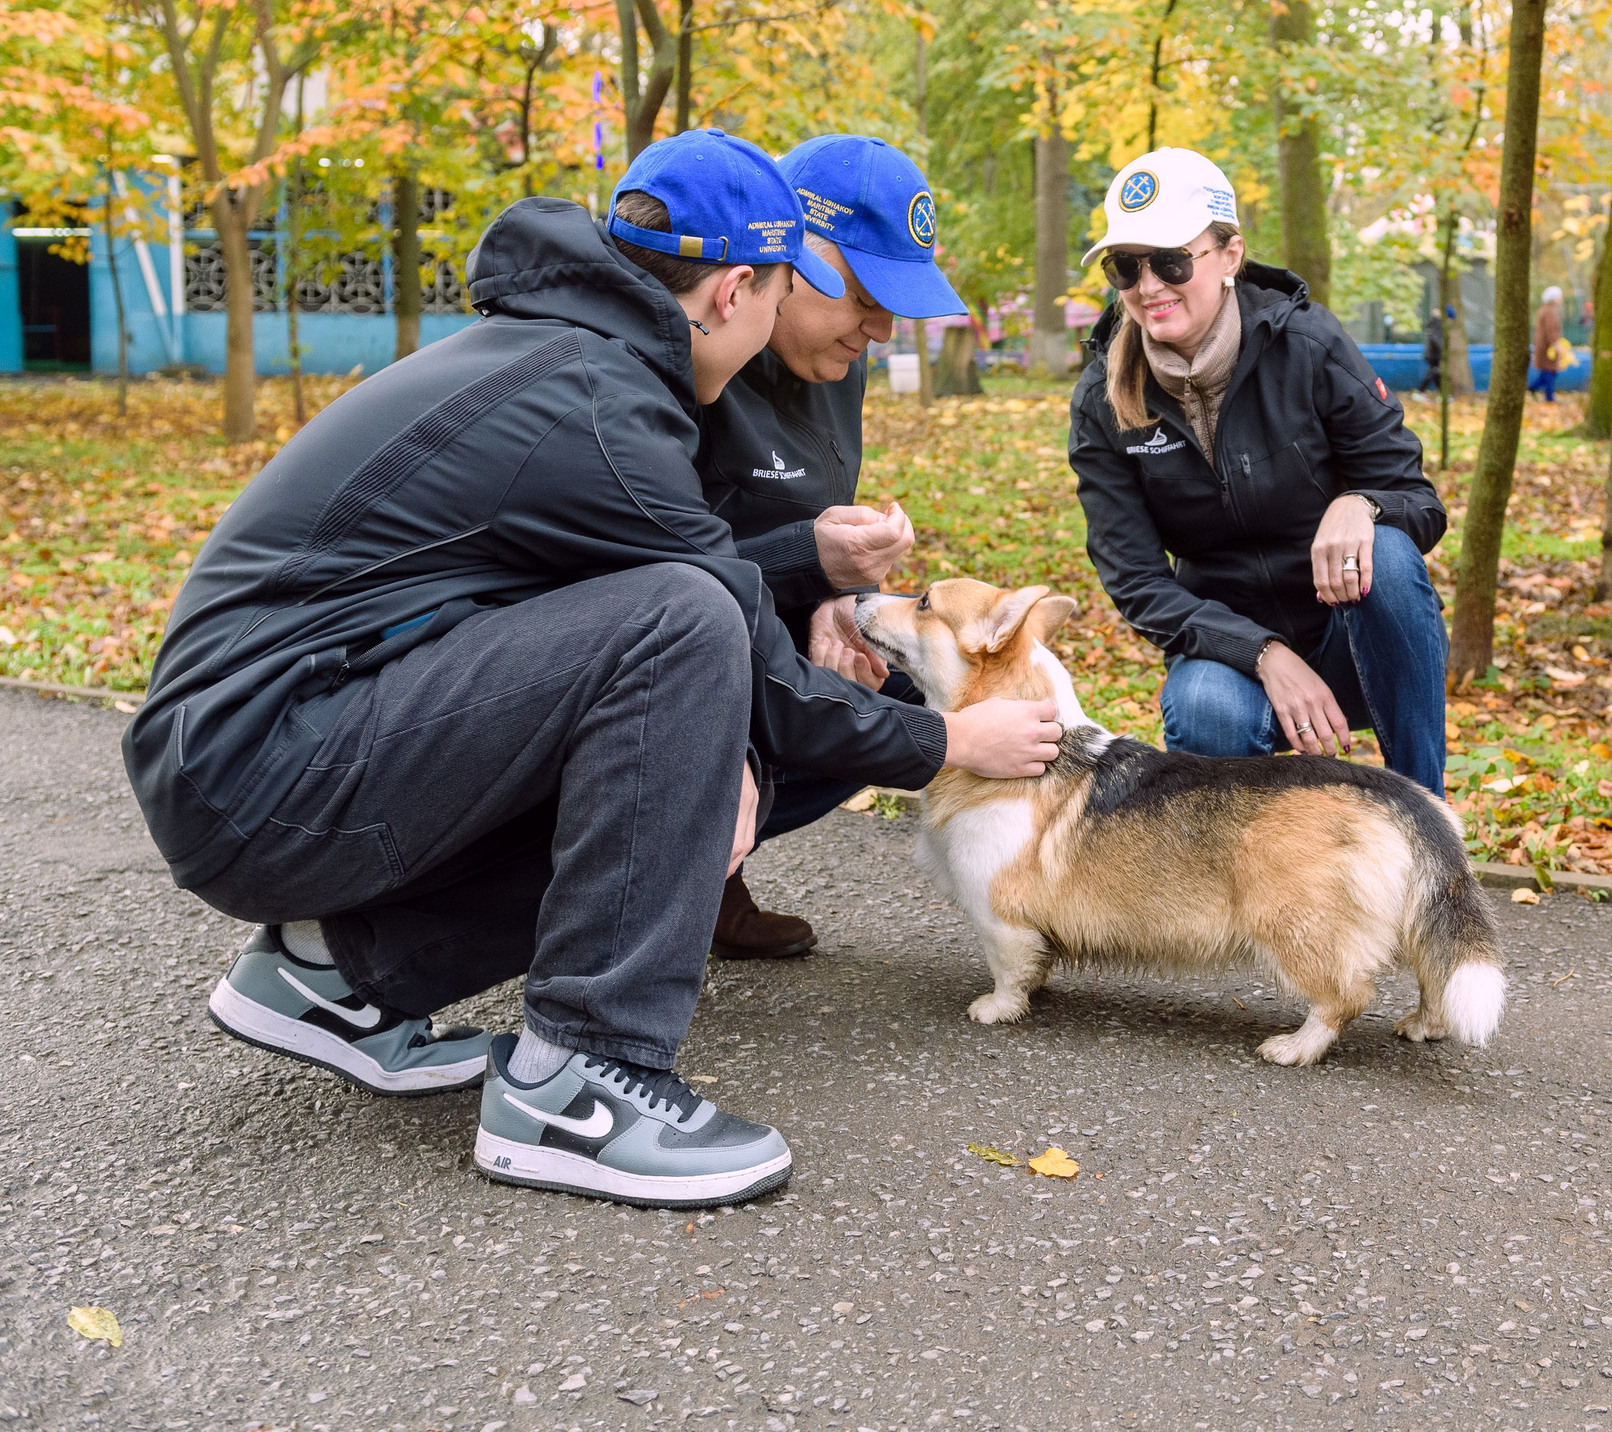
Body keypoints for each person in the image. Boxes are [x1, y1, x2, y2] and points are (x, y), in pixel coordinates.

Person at [125, 130, 1062, 1209]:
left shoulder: (576, 363)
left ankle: (337, 973)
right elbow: (726, 639)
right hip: (261, 770)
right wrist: (943, 742)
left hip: (264, 752)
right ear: (736, 291)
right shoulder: (598, 406)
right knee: (686, 617)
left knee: (696, 676)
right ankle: (581, 1082)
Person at [1067, 147, 1452, 795]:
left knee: (1386, 553)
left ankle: (1426, 816)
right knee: (1204, 707)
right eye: (1125, 266)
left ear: (1231, 256)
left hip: (1351, 641)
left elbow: (1418, 499)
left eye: (1171, 259)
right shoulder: (1102, 404)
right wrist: (1264, 654)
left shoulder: (1309, 345)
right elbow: (1137, 583)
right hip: (1230, 660)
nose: (1149, 286)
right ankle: (1247, 880)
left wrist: (1361, 504)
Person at [690, 133, 970, 958]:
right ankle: (662, 871)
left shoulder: (835, 364)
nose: (880, 331)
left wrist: (833, 598)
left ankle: (709, 875)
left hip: (752, 633)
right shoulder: (696, 362)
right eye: (863, 296)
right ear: (794, 256)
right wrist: (803, 560)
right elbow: (659, 564)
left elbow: (798, 521)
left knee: (894, 703)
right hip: (671, 648)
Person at [1529, 286, 1567, 402]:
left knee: (1547, 372)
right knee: (1549, 371)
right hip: (1547, 347)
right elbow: (1550, 330)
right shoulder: (1549, 312)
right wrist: (1556, 344)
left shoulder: (1544, 310)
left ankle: (1535, 388)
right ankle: (1548, 397)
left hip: (1544, 346)